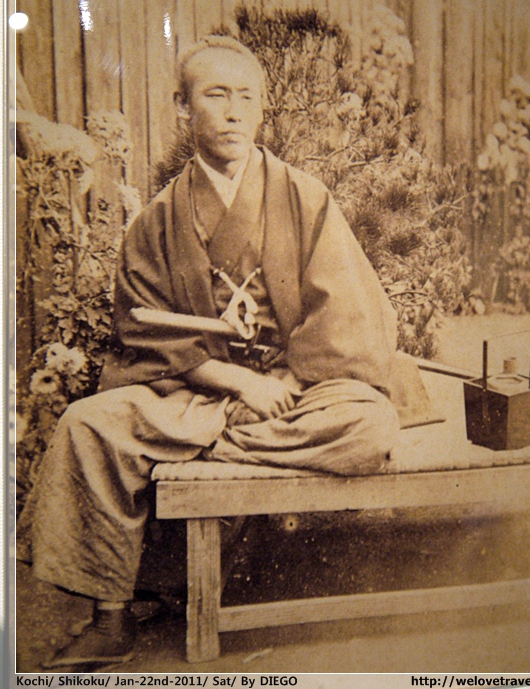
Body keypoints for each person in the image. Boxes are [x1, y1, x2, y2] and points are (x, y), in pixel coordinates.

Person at [17, 36, 435, 668]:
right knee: (84, 425)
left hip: (297, 390)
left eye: (246, 97)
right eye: (216, 96)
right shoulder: (157, 221)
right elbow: (142, 330)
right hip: (199, 389)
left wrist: (283, 380)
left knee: (368, 423)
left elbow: (344, 312)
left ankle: (185, 449)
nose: (234, 112)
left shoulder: (303, 197)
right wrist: (240, 386)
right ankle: (111, 616)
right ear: (183, 108)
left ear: (262, 109)